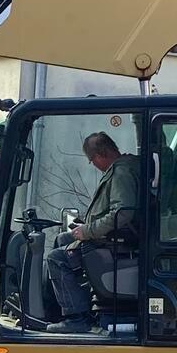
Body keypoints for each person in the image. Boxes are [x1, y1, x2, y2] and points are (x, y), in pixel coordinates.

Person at [44, 132, 141, 332]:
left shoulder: (121, 173)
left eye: (92, 160)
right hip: (109, 236)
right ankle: (66, 307)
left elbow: (122, 213)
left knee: (56, 258)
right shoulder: (124, 168)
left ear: (102, 153)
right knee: (62, 238)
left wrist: (88, 231)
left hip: (114, 241)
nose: (94, 165)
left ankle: (76, 317)